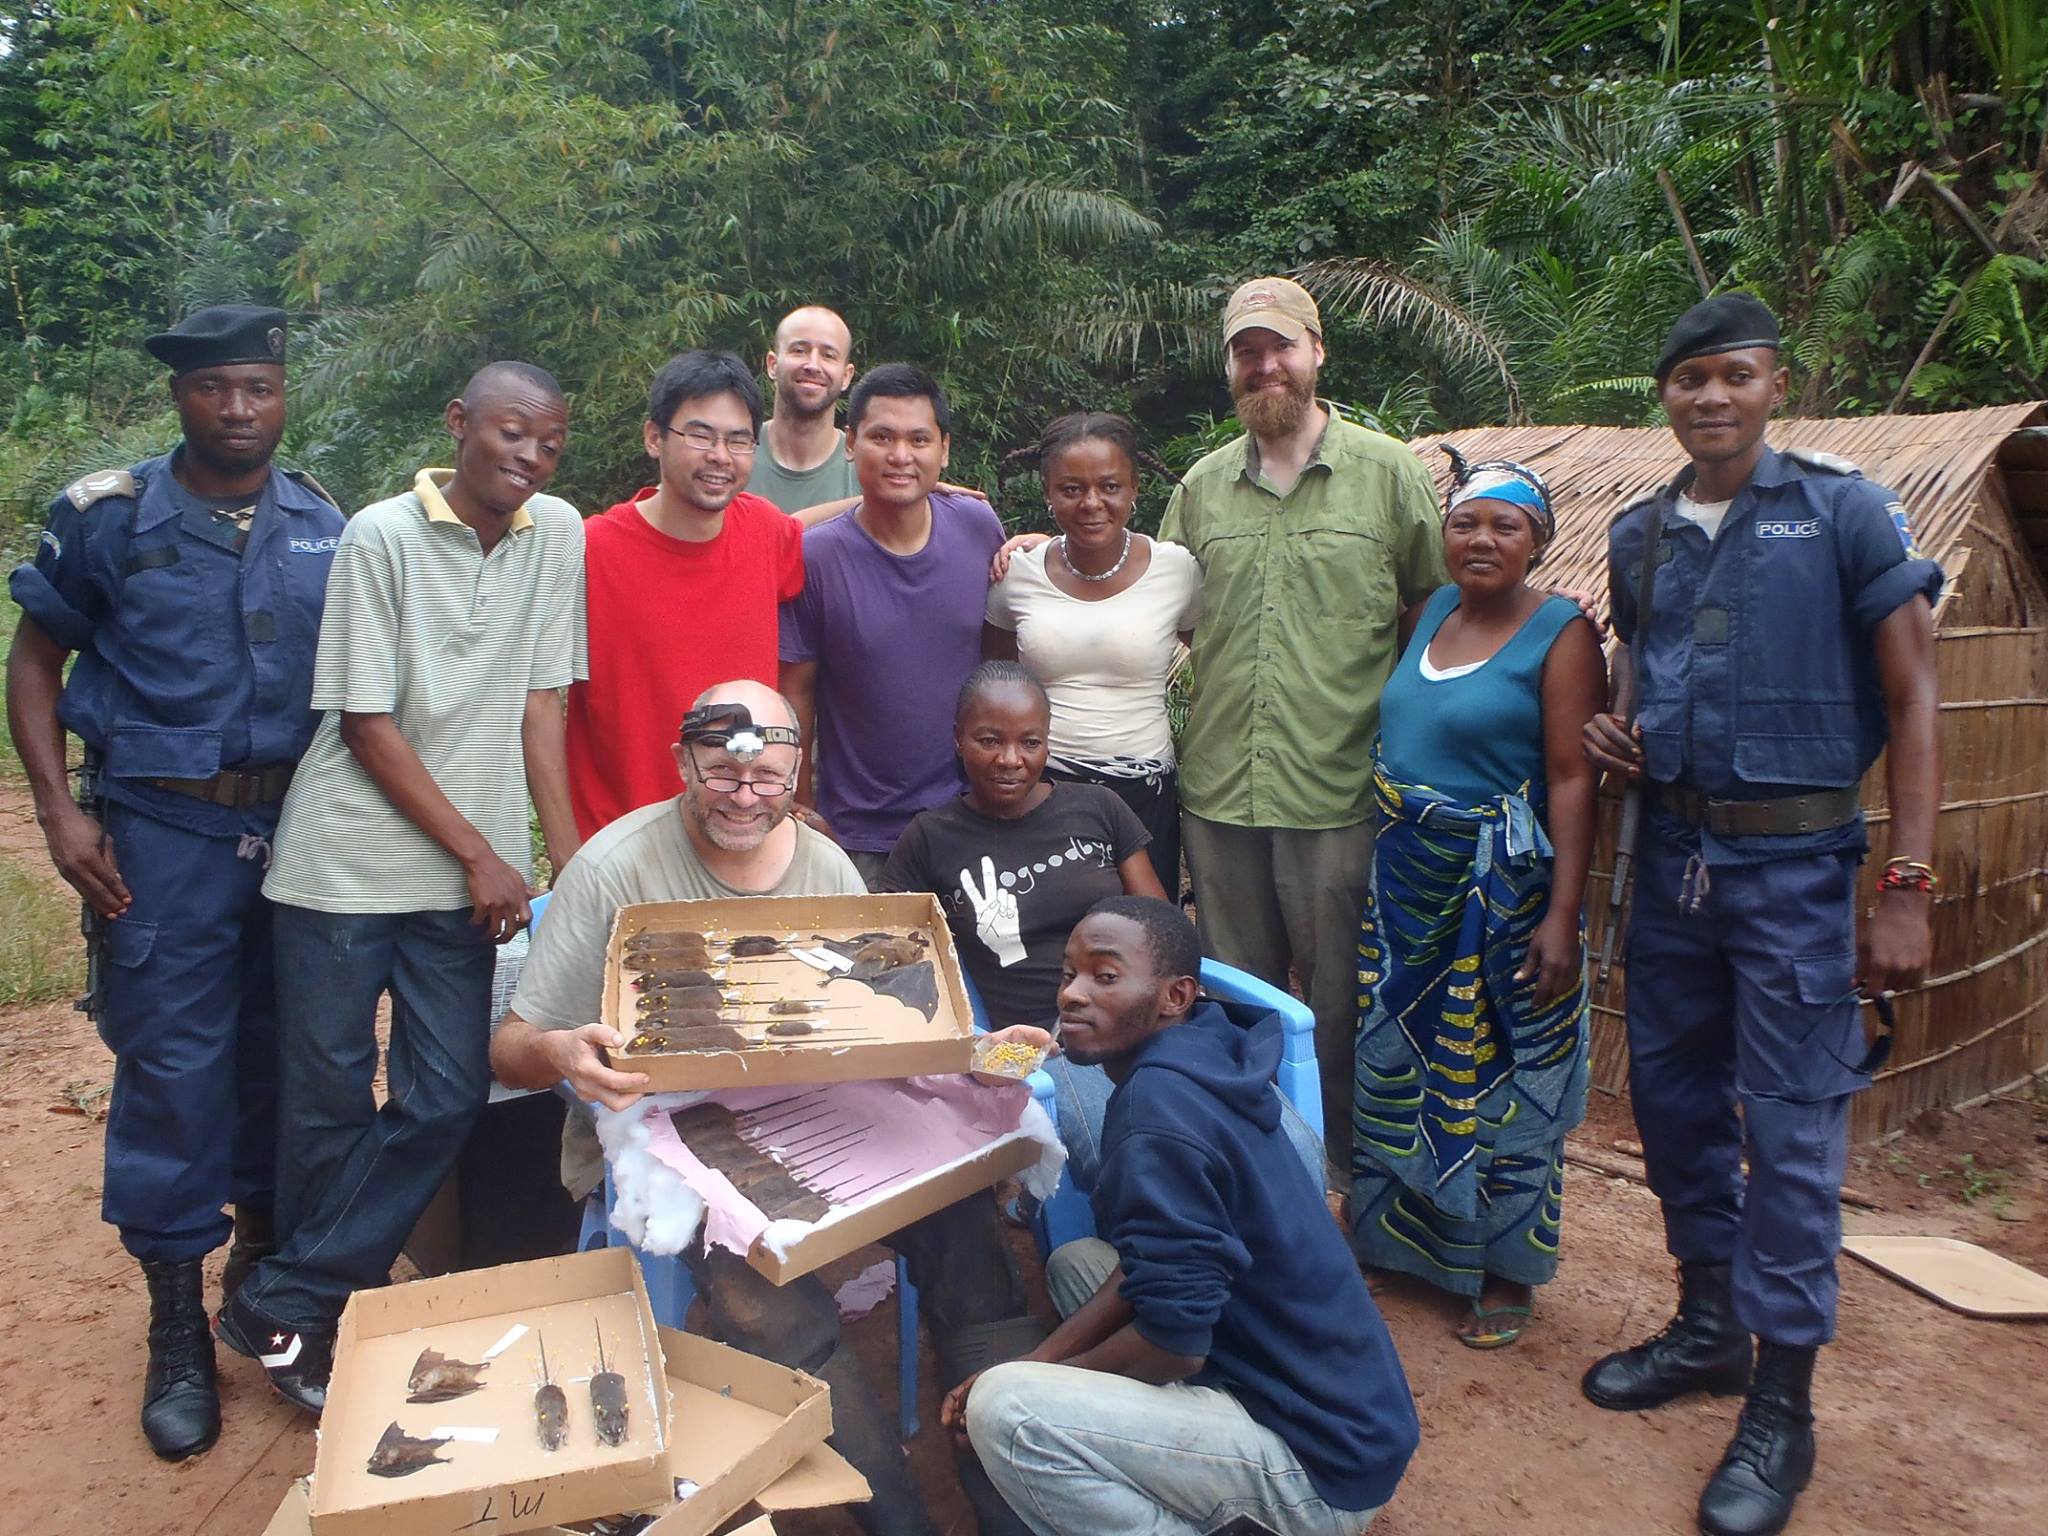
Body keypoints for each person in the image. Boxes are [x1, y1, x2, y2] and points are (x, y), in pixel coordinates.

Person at [491, 681, 1044, 1536]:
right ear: (683, 763)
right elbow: (510, 1045)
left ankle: (1009, 1496)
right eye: (721, 775)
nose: (746, 800)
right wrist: (562, 1052)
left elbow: (875, 1006)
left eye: (770, 781)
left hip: (818, 1105)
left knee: (969, 1231)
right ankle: (899, 1522)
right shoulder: (613, 865)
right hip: (662, 1132)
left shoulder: (822, 862)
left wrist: (963, 1051)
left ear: (796, 772)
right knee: (775, 1307)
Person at [1580, 295, 1941, 1536]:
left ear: (1772, 384)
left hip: (1795, 876)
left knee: (1789, 1133)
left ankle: (1780, 1403)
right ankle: (1705, 1327)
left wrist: (1903, 884)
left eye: (1732, 375)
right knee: (1674, 1106)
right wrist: (1618, 732)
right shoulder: (1639, 537)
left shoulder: (1839, 510)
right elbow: (1643, 670)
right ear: (1665, 397)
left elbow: (1912, 692)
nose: (1710, 398)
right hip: (1673, 862)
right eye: (1687, 380)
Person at [3, 304, 342, 1461]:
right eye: (215, 390)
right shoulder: (112, 518)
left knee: (286, 1055)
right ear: (180, 397)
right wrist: (58, 813)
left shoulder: (320, 521)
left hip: (297, 844)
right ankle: (174, 1328)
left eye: (257, 388)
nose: (238, 409)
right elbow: (38, 660)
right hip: (161, 841)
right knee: (171, 1069)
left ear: (282, 394)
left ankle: (263, 1278)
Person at [217, 361, 585, 1414]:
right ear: (458, 423)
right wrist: (482, 851)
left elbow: (540, 708)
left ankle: (283, 1294)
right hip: (343, 870)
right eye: (510, 434)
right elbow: (366, 726)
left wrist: (573, 865)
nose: (527, 457)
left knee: (442, 1097)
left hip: (463, 882)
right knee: (327, 1104)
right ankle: (322, 1331)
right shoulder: (378, 535)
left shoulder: (552, 535)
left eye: (548, 443)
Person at [951, 896, 1419, 1536]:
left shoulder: (1155, 1122)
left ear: (1174, 996)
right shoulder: (1201, 1052)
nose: (1071, 996)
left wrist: (1016, 1382)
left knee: (1006, 1415)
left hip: (1318, 1464)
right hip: (1343, 1406)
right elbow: (1156, 1272)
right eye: (1070, 974)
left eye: (1105, 977)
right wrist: (1039, 1362)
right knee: (1075, 1265)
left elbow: (1173, 1347)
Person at [1159, 277, 1446, 1177]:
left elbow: (1435, 616)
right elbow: (1154, 607)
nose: (1265, 364)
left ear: (1318, 352)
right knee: (1236, 996)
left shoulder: (1387, 472)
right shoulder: (1202, 488)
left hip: (1340, 789)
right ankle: (1256, 1172)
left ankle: (1343, 1176)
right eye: (1247, 350)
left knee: (1340, 999)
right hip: (1219, 793)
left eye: (1281, 346)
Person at [1349, 452, 1604, 1348]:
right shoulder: (1428, 616)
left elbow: (1573, 778)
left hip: (1502, 893)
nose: (1482, 538)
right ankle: (1400, 1242)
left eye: (1507, 524)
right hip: (1407, 882)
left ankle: (1504, 1269)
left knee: (1502, 1077)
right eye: (1466, 522)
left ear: (1537, 541)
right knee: (1403, 1059)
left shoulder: (1564, 633)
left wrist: (1561, 915)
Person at [880, 661, 1164, 1187]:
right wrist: (1003, 952)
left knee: (1240, 1129)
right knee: (1130, 1164)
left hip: (1138, 1017)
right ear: (959, 740)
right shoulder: (930, 839)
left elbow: (1159, 928)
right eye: (989, 740)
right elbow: (897, 967)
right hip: (1038, 1042)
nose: (1011, 760)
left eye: (1030, 743)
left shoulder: (1099, 807)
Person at [779, 362, 1006, 885]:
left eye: (919, 439)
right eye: (882, 436)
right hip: (858, 833)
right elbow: (798, 694)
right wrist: (801, 810)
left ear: (943, 450)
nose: (901, 455)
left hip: (972, 819)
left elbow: (1003, 654)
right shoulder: (817, 557)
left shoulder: (977, 526)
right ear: (851, 442)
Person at [565, 349, 804, 839]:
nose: (720, 456)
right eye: (700, 435)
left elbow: (820, 532)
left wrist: (905, 494)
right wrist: (566, 847)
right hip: (619, 840)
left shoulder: (764, 532)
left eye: (739, 441)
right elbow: (539, 707)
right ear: (654, 437)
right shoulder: (588, 550)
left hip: (739, 827)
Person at [983, 413, 1201, 895]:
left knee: (1144, 937)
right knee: (1047, 939)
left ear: (1134, 488)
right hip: (1041, 789)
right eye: (1070, 489)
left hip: (1144, 795)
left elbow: (1210, 657)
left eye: (1109, 486)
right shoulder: (1017, 574)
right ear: (1047, 492)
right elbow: (994, 682)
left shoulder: (1176, 570)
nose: (1092, 504)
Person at [748, 304, 860, 519]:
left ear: (846, 376)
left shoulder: (866, 468)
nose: (813, 365)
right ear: (772, 364)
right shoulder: (734, 455)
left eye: (828, 355)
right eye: (799, 351)